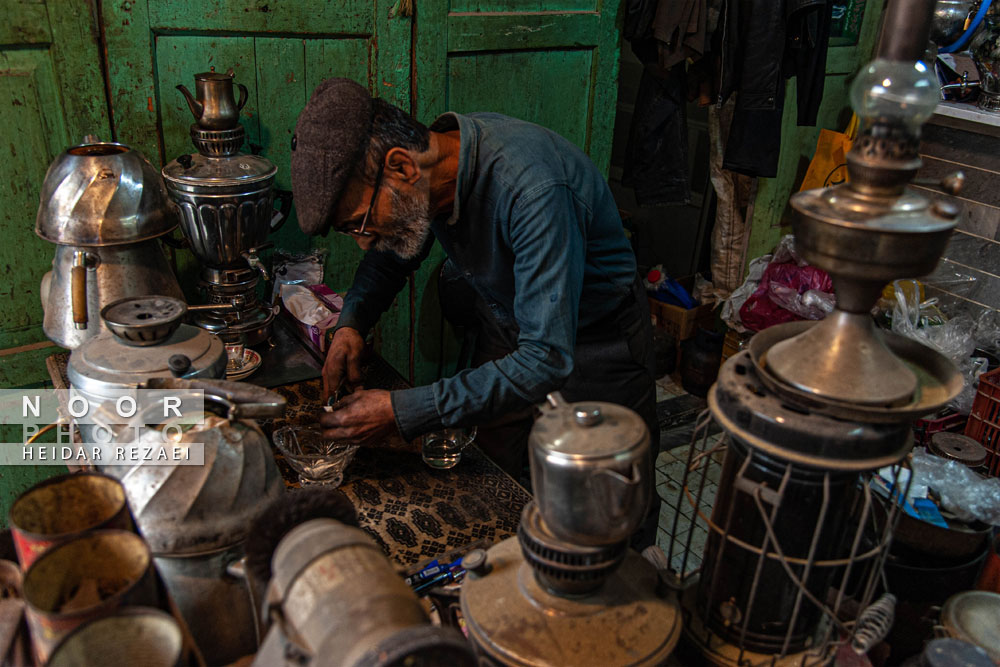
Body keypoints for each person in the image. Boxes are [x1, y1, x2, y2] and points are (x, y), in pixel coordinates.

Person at [291, 78, 661, 546]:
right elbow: (389, 255)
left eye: (359, 223)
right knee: (498, 485)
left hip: (596, 351)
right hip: (511, 331)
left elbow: (546, 358)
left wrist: (402, 410)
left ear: (400, 166)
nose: (363, 240)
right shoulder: (433, 171)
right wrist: (351, 324)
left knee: (606, 514)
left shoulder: (534, 189)